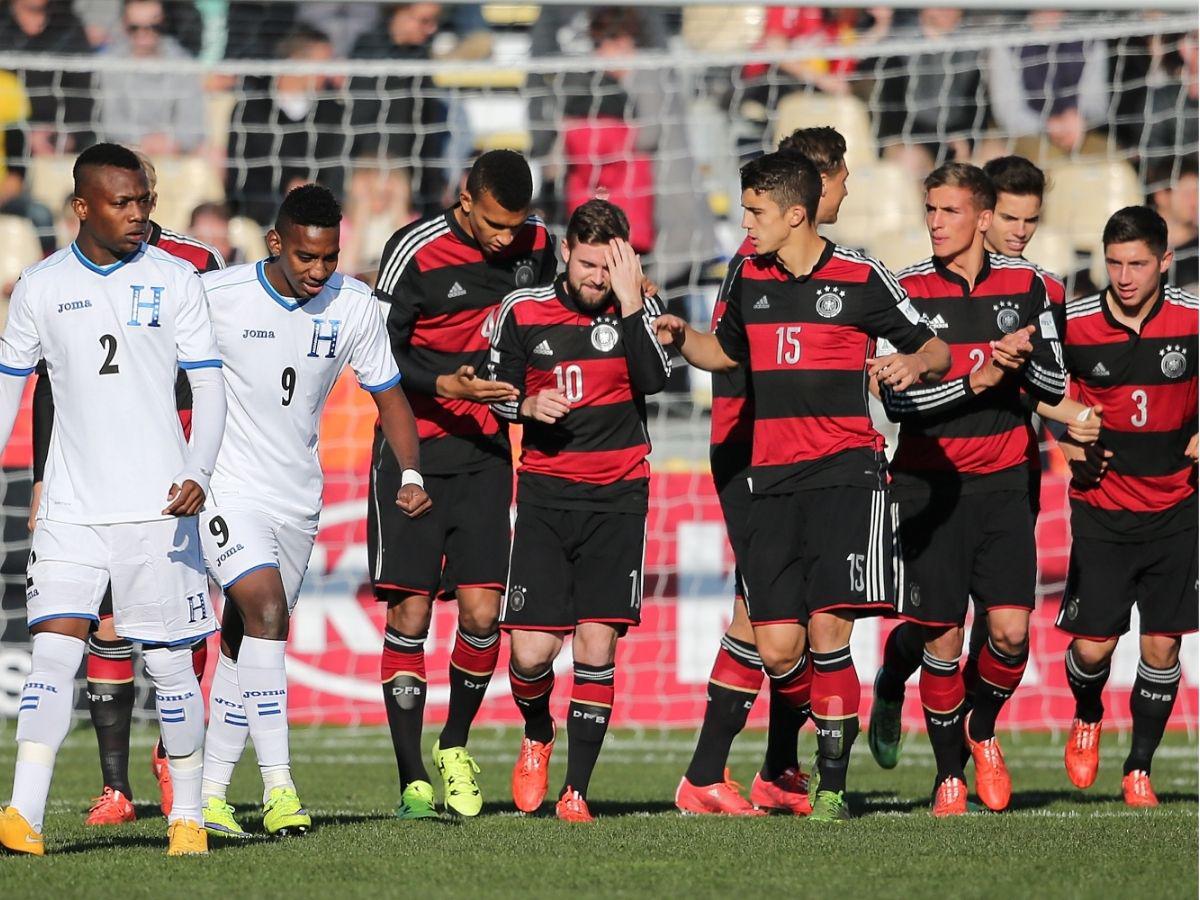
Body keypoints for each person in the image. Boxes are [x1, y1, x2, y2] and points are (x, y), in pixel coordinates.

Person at [655, 152, 950, 822]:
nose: (746, 223)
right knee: (778, 645)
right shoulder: (750, 278)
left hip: (845, 476)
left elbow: (936, 348)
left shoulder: (859, 274)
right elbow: (723, 352)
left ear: (793, 213)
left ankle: (833, 786)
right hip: (770, 484)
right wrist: (679, 336)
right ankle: (821, 734)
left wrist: (910, 359)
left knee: (828, 633)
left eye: (756, 212)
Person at [0, 142, 227, 856]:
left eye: (144, 202)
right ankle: (22, 816)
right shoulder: (37, 287)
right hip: (70, 510)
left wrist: (200, 470)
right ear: (82, 207)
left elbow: (211, 388)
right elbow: (11, 387)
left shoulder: (176, 280)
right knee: (53, 659)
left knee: (168, 666)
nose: (138, 215)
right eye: (122, 203)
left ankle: (186, 814)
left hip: (159, 509)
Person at [197, 184, 430, 839]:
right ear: (275, 243)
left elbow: (390, 398)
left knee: (247, 644)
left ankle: (211, 796)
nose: (318, 271)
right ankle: (280, 790)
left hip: (297, 500)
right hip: (226, 488)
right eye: (305, 257)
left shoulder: (353, 306)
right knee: (265, 610)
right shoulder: (218, 297)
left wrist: (411, 472)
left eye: (329, 258)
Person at [868, 155, 1098, 772]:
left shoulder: (1037, 288)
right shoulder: (902, 288)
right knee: (931, 630)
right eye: (931, 211)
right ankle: (895, 685)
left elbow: (1050, 384)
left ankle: (979, 727)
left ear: (980, 216)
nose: (936, 222)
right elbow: (895, 398)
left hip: (1006, 479)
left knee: (1008, 633)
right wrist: (982, 375)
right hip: (926, 483)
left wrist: (1034, 374)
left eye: (949, 211)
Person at [370, 149, 555, 819]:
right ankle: (412, 776)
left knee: (482, 613)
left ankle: (453, 746)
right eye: (496, 225)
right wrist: (441, 382)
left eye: (518, 225)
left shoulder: (540, 246)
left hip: (485, 450)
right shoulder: (414, 249)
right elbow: (375, 346)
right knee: (411, 614)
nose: (508, 239)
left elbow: (562, 306)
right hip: (413, 446)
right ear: (465, 199)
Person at [675, 126, 851, 817]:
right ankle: (709, 772)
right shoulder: (754, 265)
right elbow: (727, 356)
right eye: (839, 178)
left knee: (787, 625)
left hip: (789, 458)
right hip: (758, 458)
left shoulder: (819, 267)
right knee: (766, 621)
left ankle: (774, 769)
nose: (845, 191)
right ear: (810, 187)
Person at [491, 198, 669, 822]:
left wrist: (630, 302)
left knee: (597, 645)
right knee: (530, 654)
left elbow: (654, 381)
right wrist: (524, 408)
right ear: (566, 253)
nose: (596, 277)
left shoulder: (635, 305)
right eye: (588, 264)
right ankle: (537, 731)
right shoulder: (524, 310)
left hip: (619, 497)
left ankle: (577, 790)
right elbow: (494, 393)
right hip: (544, 496)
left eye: (608, 265)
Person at [1056, 206, 1197, 807]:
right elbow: (1041, 394)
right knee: (1093, 649)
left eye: (1138, 263)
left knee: (1163, 645)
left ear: (1165, 261)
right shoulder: (1076, 323)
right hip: (1102, 506)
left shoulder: (1193, 320)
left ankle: (1138, 766)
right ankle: (1088, 714)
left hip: (1177, 505)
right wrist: (1064, 440)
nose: (1125, 276)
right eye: (1114, 263)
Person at [225, 25, 349, 226]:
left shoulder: (333, 112)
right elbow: (240, 177)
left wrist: (314, 192)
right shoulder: (250, 109)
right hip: (260, 213)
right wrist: (286, 187)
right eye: (322, 64)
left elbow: (337, 171)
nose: (327, 74)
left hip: (320, 212)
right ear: (296, 63)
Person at [348, 3, 448, 218]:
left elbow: (428, 132)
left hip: (414, 187)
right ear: (399, 14)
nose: (432, 29)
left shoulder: (421, 57)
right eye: (424, 21)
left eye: (434, 21)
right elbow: (358, 123)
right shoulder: (367, 50)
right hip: (371, 184)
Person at [98, 0, 205, 156]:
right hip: (123, 152)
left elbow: (193, 122)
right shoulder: (109, 63)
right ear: (123, 25)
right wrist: (142, 142)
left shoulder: (182, 62)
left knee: (211, 153)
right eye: (134, 28)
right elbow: (109, 122)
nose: (143, 34)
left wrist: (169, 142)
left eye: (153, 27)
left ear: (164, 24)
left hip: (175, 152)